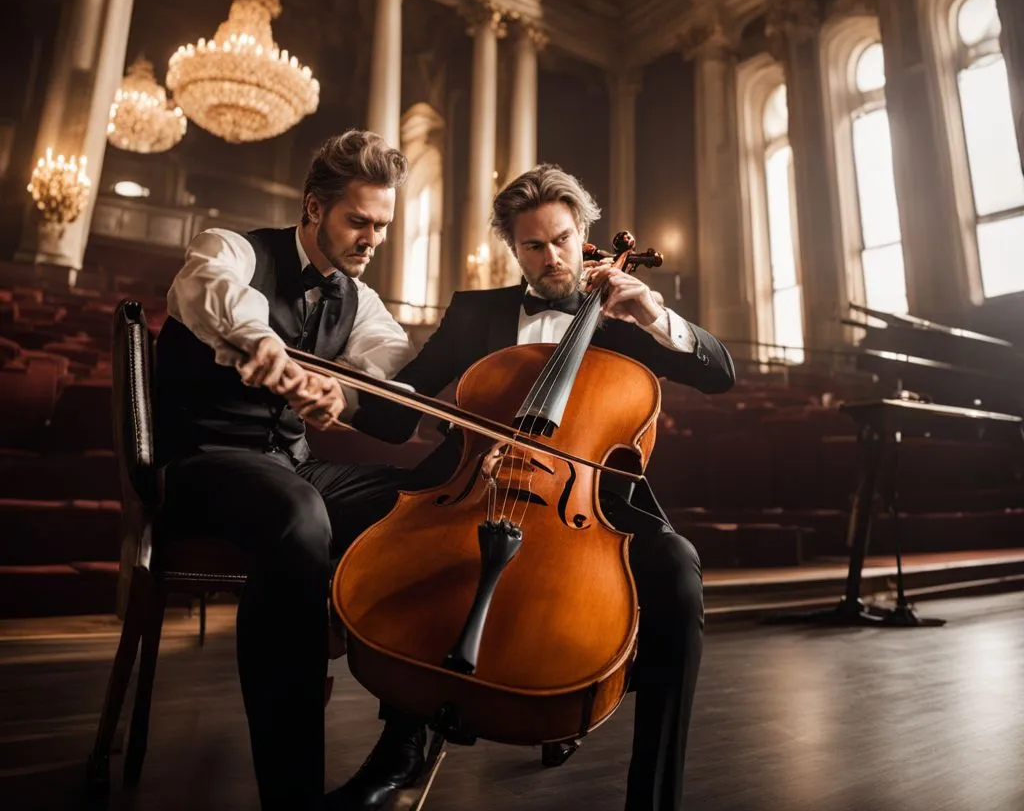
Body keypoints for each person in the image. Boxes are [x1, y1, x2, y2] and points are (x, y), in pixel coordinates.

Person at [340, 163, 736, 811]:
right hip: (476, 481)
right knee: (414, 546)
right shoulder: (476, 313)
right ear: (512, 249)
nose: (551, 257)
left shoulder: (627, 312)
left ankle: (653, 796)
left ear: (583, 233)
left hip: (592, 504)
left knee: (679, 572)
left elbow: (721, 373)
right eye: (533, 245)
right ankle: (399, 750)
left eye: (560, 239)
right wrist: (335, 396)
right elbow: (398, 411)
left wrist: (657, 316)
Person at [154, 129, 424, 811]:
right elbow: (207, 286)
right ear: (314, 207)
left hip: (291, 468)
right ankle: (291, 796)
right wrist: (262, 342)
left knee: (427, 502)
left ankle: (406, 737)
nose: (372, 239)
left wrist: (345, 393)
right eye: (359, 221)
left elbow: (388, 355)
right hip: (204, 465)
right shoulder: (236, 248)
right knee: (298, 515)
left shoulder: (357, 298)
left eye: (383, 226)